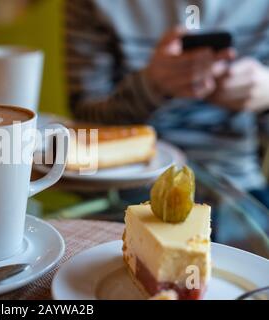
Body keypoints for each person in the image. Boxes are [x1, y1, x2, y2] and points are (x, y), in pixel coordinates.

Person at [64, 0, 269, 206]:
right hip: (123, 182)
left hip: (234, 181)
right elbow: (86, 119)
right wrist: (150, 86)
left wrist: (265, 95)